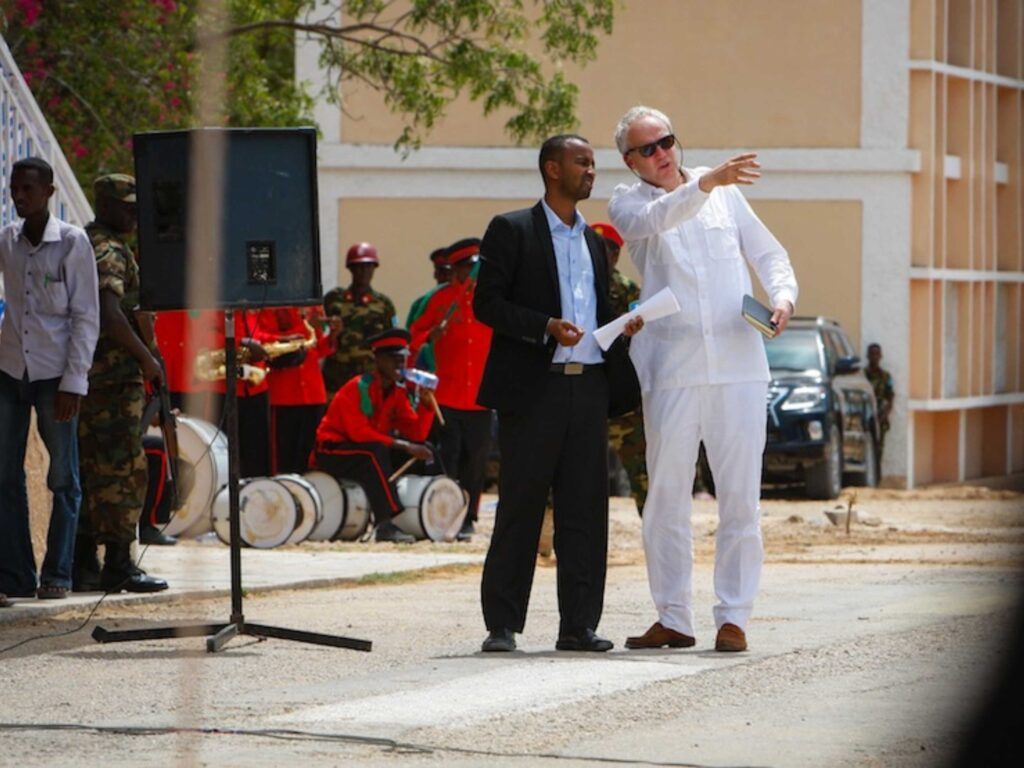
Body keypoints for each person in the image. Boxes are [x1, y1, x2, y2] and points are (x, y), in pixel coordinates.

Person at [609, 106, 798, 653]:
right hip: (672, 367)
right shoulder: (628, 202)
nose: (662, 153)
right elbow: (655, 221)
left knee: (739, 496)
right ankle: (673, 616)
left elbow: (769, 253)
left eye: (666, 141)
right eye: (648, 148)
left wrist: (782, 298)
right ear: (630, 160)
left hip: (739, 364)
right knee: (666, 497)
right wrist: (708, 183)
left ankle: (733, 615)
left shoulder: (727, 195)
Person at [473, 134, 643, 653]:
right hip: (534, 390)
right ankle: (502, 625)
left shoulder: (594, 241)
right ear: (552, 169)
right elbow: (487, 304)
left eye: (593, 163)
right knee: (521, 507)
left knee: (586, 510)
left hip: (587, 389)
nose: (591, 171)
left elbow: (598, 313)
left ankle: (578, 626)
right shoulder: (512, 230)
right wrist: (544, 325)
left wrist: (623, 328)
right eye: (581, 162)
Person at [0, 157, 99, 601]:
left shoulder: (73, 244)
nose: (19, 197)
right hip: (9, 370)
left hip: (55, 376)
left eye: (28, 190)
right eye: (14, 189)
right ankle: (16, 576)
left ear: (49, 193)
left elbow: (86, 317)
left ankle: (57, 574)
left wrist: (74, 382)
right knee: (5, 476)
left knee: (63, 478)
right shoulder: (7, 241)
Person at [75, 173, 169, 593]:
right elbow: (110, 314)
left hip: (95, 378)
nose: (134, 214)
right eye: (127, 206)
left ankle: (84, 563)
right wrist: (147, 360)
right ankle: (117, 564)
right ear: (106, 205)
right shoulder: (109, 250)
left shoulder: (89, 243)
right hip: (110, 380)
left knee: (93, 469)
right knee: (121, 472)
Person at [312, 328, 436, 543]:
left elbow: (416, 432)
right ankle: (385, 522)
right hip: (332, 450)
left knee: (425, 449)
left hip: (366, 448)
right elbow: (359, 434)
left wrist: (426, 408)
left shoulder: (397, 392)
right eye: (393, 359)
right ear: (378, 359)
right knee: (374, 454)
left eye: (402, 359)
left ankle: (431, 512)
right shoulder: (358, 387)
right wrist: (404, 446)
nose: (399, 365)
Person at [410, 238, 493, 541]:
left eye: (476, 267)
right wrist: (430, 334)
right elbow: (412, 339)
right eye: (467, 268)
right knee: (449, 458)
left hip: (481, 397)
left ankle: (468, 517)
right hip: (447, 396)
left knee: (476, 460)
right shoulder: (440, 300)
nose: (472, 274)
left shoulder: (489, 299)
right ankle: (443, 513)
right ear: (455, 270)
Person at [591, 221, 648, 513]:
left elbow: (644, 335)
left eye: (606, 251)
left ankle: (652, 526)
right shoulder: (573, 286)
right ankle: (549, 524)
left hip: (619, 391)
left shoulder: (627, 292)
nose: (600, 256)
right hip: (583, 387)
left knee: (640, 467)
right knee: (568, 464)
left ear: (615, 256)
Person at [252, 306, 328, 474]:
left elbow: (318, 348)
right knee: (282, 460)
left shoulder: (313, 306)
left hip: (312, 392)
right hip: (284, 393)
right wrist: (303, 327)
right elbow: (262, 339)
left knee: (310, 458)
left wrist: (334, 335)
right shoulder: (269, 306)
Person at [321, 242, 398, 401]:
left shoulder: (383, 304)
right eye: (358, 267)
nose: (363, 271)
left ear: (374, 268)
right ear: (350, 269)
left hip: (369, 379)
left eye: (368, 267)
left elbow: (392, 344)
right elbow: (318, 331)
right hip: (336, 379)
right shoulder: (334, 299)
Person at [865, 343, 894, 461]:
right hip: (865, 415)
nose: (875, 357)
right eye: (872, 354)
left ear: (881, 356)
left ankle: (877, 476)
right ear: (868, 356)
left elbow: (891, 397)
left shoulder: (886, 377)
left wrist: (885, 414)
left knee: (878, 448)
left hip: (880, 416)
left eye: (877, 354)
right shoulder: (862, 376)